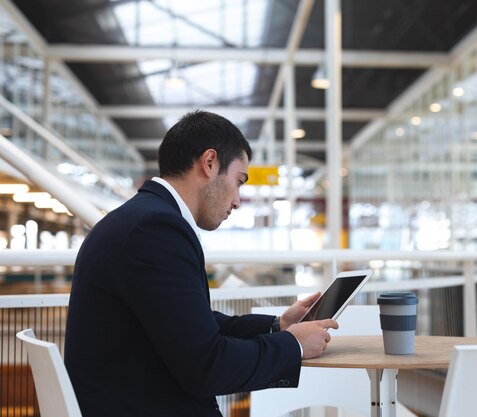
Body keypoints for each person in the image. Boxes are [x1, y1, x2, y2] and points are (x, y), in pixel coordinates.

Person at [64, 110, 338, 417]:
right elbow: (207, 367)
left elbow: (192, 323)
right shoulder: (155, 229)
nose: (237, 200)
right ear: (210, 163)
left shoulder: (143, 219)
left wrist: (278, 326)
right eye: (239, 181)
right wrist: (294, 346)